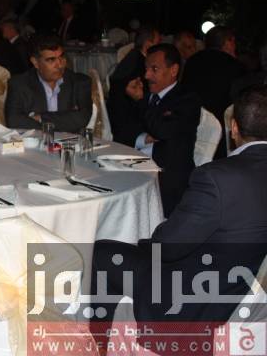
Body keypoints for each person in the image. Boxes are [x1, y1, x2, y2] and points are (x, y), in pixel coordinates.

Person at [93, 84, 267, 328]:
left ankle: (97, 341)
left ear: (234, 128)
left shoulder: (217, 178)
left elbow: (167, 248)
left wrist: (144, 242)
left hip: (195, 299)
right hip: (246, 289)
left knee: (101, 253)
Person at [124, 43, 200, 216]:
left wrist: (141, 102)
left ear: (173, 70)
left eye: (154, 69)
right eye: (146, 69)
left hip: (168, 179)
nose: (146, 75)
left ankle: (151, 237)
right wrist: (142, 139)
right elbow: (121, 131)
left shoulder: (187, 99)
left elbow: (161, 130)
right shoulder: (145, 94)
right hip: (135, 168)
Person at [4, 35, 92, 132]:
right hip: (36, 141)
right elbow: (14, 121)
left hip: (71, 141)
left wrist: (41, 117)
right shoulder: (19, 84)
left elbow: (82, 119)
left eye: (61, 57)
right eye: (51, 60)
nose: (59, 65)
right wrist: (66, 120)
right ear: (35, 62)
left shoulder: (80, 82)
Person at [181, 25, 245, 159]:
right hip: (221, 132)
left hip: (190, 124)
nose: (235, 46)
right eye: (233, 41)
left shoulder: (192, 61)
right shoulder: (235, 66)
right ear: (227, 42)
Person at [108, 26, 161, 147]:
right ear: (148, 45)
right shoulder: (140, 66)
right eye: (158, 43)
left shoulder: (133, 57)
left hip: (117, 119)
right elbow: (145, 99)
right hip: (129, 127)